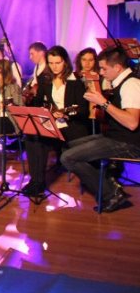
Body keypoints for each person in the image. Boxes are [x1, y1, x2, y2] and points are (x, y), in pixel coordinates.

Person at [59, 48, 140, 212]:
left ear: (117, 67)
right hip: (115, 136)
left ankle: (111, 194)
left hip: (128, 143)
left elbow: (132, 122)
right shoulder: (119, 82)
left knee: (68, 158)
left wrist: (103, 102)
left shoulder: (131, 85)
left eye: (104, 69)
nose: (101, 72)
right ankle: (109, 181)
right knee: (69, 145)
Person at [20, 46, 89, 196]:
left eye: (57, 63)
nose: (54, 66)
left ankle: (38, 182)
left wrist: (66, 114)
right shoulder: (46, 81)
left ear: (65, 62)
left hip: (71, 126)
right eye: (51, 63)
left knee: (41, 139)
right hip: (53, 124)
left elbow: (83, 110)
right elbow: (38, 103)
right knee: (31, 137)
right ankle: (36, 181)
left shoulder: (76, 81)